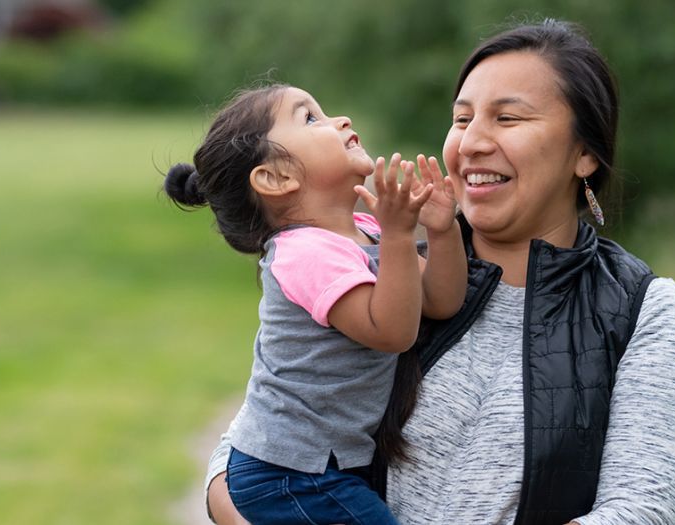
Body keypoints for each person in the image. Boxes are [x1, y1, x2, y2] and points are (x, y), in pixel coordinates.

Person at [207, 19, 675, 525]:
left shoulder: (646, 313)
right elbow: (258, 443)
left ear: (584, 153)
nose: (472, 143)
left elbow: (642, 510)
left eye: (508, 118)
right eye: (463, 119)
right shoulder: (390, 267)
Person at [166, 84, 467, 524]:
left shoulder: (367, 230)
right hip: (287, 472)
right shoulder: (303, 252)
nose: (340, 120)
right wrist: (402, 237)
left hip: (319, 466)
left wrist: (441, 232)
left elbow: (441, 302)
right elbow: (393, 332)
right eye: (311, 118)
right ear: (275, 178)